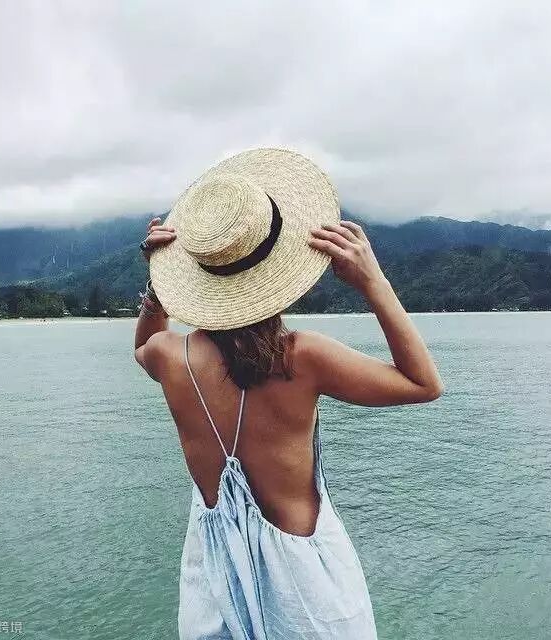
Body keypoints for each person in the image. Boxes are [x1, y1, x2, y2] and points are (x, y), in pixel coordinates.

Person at [134, 148, 443, 640]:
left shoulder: (170, 357)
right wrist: (373, 282)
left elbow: (143, 346)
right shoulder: (301, 357)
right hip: (304, 584)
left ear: (195, 274)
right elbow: (423, 384)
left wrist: (156, 285)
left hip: (216, 581)